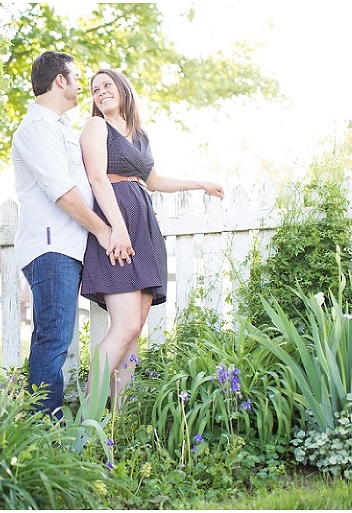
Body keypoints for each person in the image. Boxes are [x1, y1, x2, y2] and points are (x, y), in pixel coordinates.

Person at [79, 68, 225, 409]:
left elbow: (154, 181)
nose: (100, 92)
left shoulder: (140, 135)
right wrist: (116, 228)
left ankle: (120, 421)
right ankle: (86, 421)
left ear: (123, 89)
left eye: (106, 85)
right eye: (94, 89)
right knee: (124, 326)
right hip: (118, 227)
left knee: (134, 331)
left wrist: (200, 183)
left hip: (143, 228)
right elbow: (98, 179)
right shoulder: (95, 126)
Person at [12, 51, 117, 417]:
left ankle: (42, 426)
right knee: (54, 339)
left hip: (65, 248)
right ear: (60, 80)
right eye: (75, 78)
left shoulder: (56, 127)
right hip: (51, 247)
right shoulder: (36, 129)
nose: (79, 86)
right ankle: (45, 430)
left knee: (52, 337)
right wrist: (104, 231)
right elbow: (62, 192)